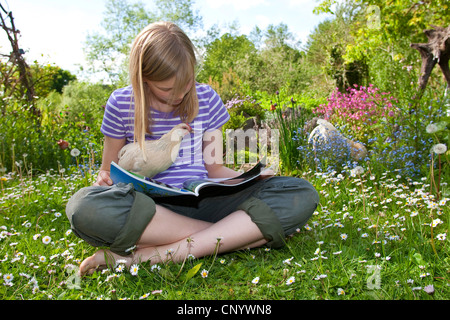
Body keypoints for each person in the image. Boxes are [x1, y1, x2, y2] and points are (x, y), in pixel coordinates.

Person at [65, 21, 320, 276]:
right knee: (83, 208)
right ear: (143, 78)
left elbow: (215, 169)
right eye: (166, 88)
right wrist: (103, 180)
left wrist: (250, 179)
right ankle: (231, 235)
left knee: (300, 192)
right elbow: (108, 171)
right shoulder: (121, 103)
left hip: (206, 203)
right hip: (151, 213)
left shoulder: (206, 98)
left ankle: (150, 255)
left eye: (187, 83)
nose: (179, 94)